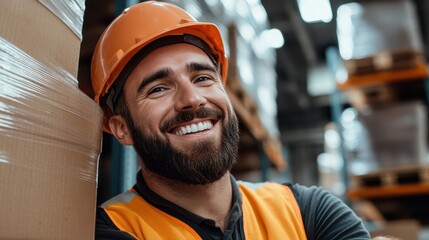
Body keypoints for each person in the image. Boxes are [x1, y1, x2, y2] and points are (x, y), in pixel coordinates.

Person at [91, 1, 371, 239]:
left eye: (202, 78)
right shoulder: (113, 229)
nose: (192, 98)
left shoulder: (305, 211)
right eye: (158, 89)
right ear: (121, 128)